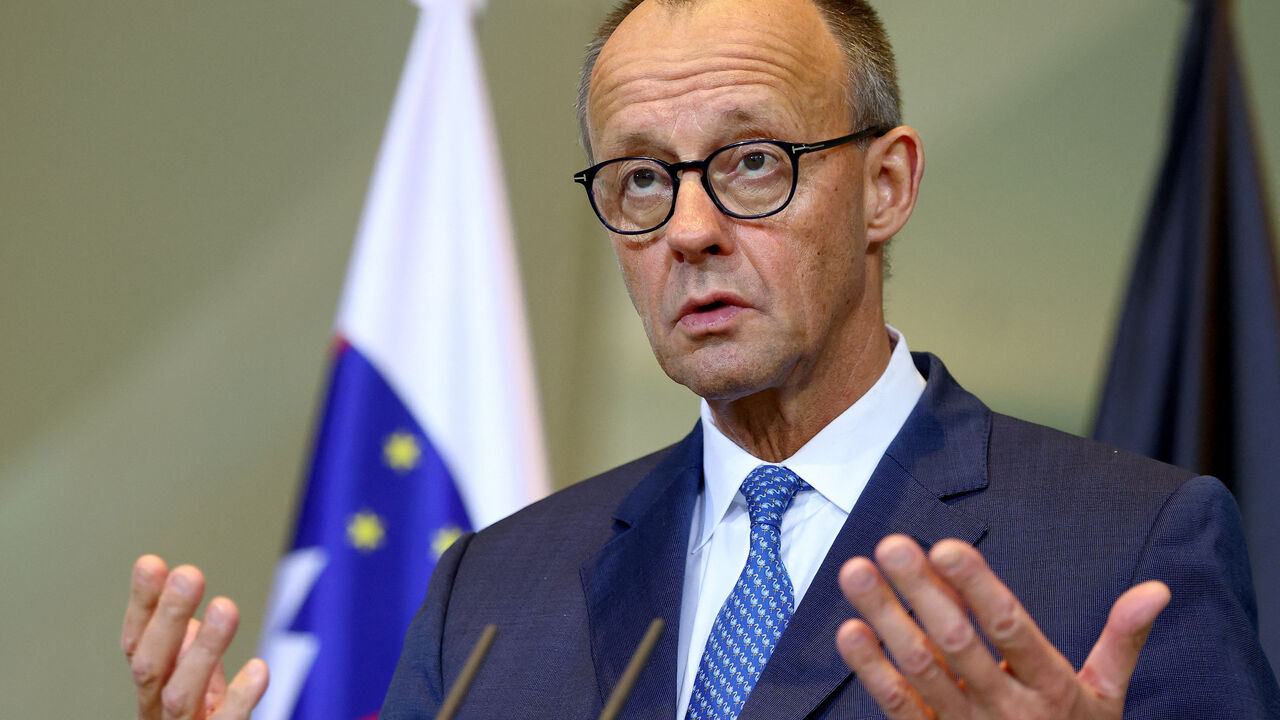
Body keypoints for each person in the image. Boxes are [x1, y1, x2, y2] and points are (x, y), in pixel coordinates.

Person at [121, 0, 1280, 718]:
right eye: (639, 178)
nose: (687, 230)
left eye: (752, 161)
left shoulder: (1130, 543)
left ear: (885, 186)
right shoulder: (489, 594)